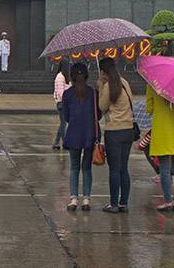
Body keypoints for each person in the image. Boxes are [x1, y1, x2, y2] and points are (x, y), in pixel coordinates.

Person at [98, 57, 134, 213]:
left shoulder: (108, 86)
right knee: (123, 168)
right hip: (128, 130)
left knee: (114, 169)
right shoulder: (124, 82)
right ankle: (123, 203)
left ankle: (113, 204)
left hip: (114, 131)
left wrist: (100, 87)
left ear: (103, 72)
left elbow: (102, 107)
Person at [61, 62, 97, 212]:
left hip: (74, 133)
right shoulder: (93, 93)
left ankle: (74, 199)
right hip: (89, 133)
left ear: (72, 76)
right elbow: (98, 114)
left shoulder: (67, 94)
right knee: (87, 168)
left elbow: (66, 117)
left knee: (74, 167)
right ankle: (86, 199)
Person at [147, 84, 174, 212]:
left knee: (164, 169)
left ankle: (167, 201)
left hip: (162, 131)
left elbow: (149, 108)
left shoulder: (152, 85)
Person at [51, 62, 71, 150]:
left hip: (65, 102)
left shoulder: (65, 77)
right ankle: (64, 142)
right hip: (62, 103)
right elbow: (60, 93)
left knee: (63, 123)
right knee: (63, 123)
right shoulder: (60, 77)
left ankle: (56, 142)